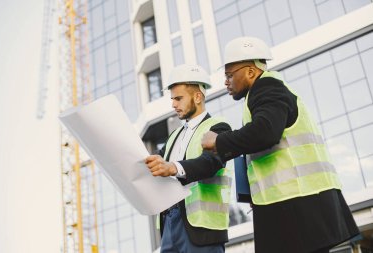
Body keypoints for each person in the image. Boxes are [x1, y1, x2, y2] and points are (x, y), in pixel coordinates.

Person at [201, 37, 359, 253]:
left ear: (250, 71)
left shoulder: (267, 87)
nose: (226, 82)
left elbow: (265, 132)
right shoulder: (261, 95)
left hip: (297, 203)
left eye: (229, 75)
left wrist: (218, 141)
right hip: (291, 203)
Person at [145, 64, 232, 253]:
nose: (173, 104)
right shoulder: (174, 136)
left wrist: (173, 168)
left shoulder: (218, 127)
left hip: (201, 229)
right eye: (172, 99)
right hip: (169, 224)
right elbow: (151, 163)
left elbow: (210, 163)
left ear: (198, 96)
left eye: (178, 98)